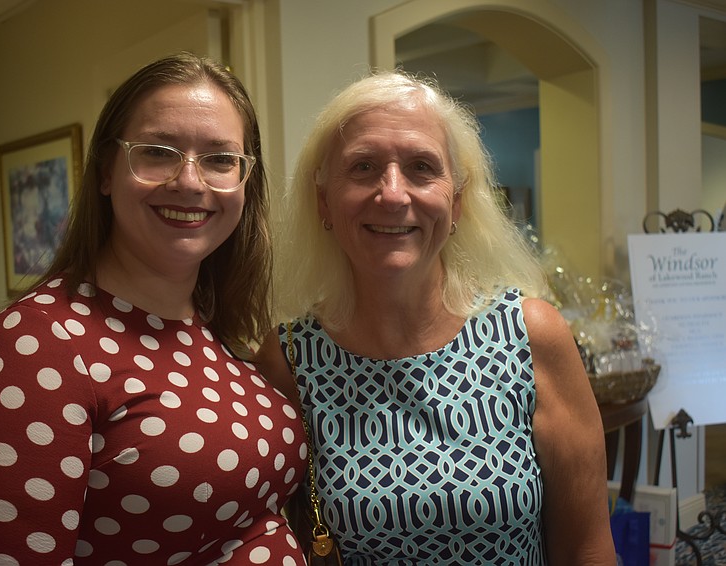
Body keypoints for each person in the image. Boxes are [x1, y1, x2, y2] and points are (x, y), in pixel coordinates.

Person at [0, 52, 306, 565]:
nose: (191, 182)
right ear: (106, 170)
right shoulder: (37, 345)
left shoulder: (217, 330)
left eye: (220, 159)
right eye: (157, 151)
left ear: (244, 180)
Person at [255, 70, 617, 564]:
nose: (393, 193)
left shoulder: (532, 337)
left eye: (422, 167)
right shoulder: (291, 359)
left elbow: (587, 547)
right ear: (324, 200)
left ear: (457, 202)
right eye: (362, 167)